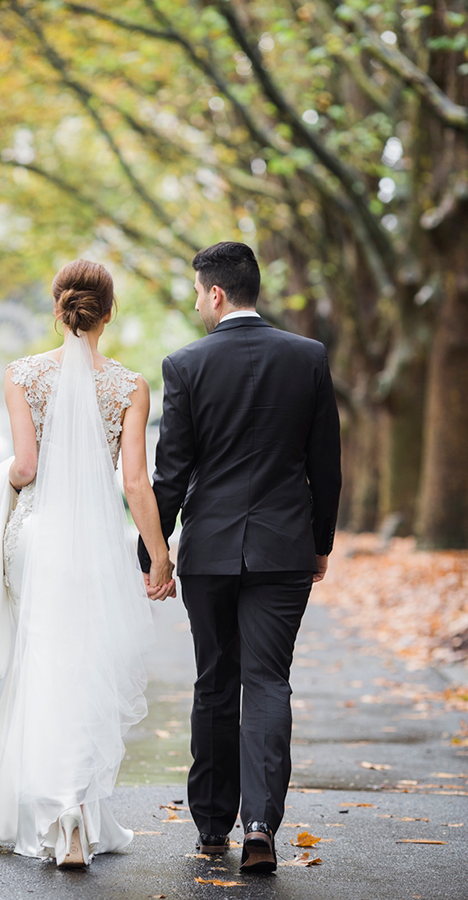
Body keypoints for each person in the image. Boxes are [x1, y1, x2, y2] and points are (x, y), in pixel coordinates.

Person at [0, 259, 174, 868]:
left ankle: (44, 810)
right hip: (97, 541)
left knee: (41, 659)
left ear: (58, 309)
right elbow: (135, 482)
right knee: (84, 661)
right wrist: (159, 557)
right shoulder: (130, 386)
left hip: (37, 536)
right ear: (108, 314)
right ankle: (75, 810)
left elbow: (24, 468)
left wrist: (7, 485)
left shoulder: (21, 376)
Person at [138, 241, 341, 873]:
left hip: (210, 551)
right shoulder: (307, 357)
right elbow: (326, 464)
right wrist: (320, 543)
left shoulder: (186, 364)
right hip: (284, 548)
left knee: (215, 681)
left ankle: (210, 825)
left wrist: (153, 554)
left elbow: (169, 473)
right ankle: (260, 828)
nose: (198, 302)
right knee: (270, 681)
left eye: (199, 292)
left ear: (217, 293)